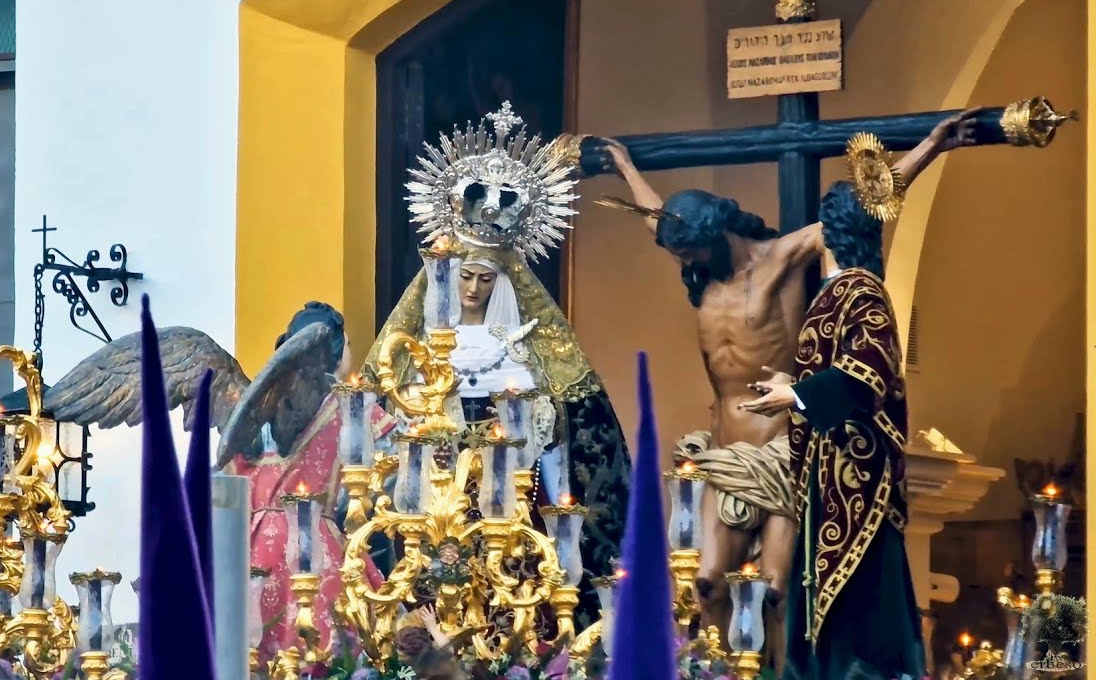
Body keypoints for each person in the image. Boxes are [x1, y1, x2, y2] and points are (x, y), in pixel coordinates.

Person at [598, 110, 977, 658]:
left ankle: (776, 673)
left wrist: (930, 149)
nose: (684, 263)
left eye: (690, 252)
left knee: (777, 594)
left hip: (781, 449)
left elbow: (862, 210)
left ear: (716, 235)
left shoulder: (780, 261)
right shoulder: (702, 273)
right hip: (726, 450)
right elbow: (656, 219)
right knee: (707, 582)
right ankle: (722, 671)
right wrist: (625, 166)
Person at [367, 101, 631, 628]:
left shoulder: (524, 345)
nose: (471, 288)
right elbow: (386, 418)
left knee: (512, 599)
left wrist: (533, 415)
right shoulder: (417, 348)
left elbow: (565, 429)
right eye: (464, 276)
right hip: (435, 502)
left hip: (510, 505)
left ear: (503, 284)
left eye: (486, 280)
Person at [738, 178, 924, 679]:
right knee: (817, 593)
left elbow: (869, 371)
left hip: (856, 479)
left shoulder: (862, 290)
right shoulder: (837, 291)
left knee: (860, 600)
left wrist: (798, 394)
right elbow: (833, 367)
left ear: (832, 230)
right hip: (827, 478)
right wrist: (792, 383)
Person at [220, 302, 398, 659]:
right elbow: (387, 476)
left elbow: (224, 476)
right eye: (347, 345)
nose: (351, 352)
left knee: (249, 653)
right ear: (330, 351)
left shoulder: (252, 405)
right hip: (315, 543)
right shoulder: (351, 406)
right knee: (330, 650)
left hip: (249, 550)